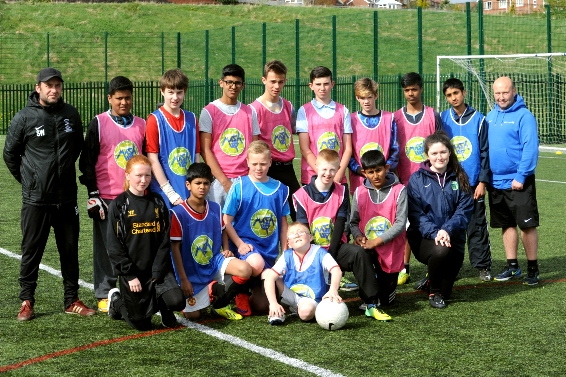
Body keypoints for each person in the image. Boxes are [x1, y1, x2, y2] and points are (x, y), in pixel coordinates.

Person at [4, 67, 95, 321]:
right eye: (48, 86)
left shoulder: (71, 115)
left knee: (69, 250)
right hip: (36, 199)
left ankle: (71, 300)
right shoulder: (24, 118)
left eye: (57, 85)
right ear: (38, 88)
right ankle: (27, 300)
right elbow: (10, 154)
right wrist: (29, 181)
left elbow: (77, 148)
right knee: (31, 249)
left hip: (66, 197)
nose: (53, 90)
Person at [294, 149, 391, 321]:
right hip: (311, 252)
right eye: (324, 169)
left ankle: (371, 302)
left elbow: (340, 223)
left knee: (359, 253)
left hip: (335, 248)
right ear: (316, 166)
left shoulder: (341, 191)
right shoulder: (302, 195)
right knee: (309, 309)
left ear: (339, 168)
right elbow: (303, 230)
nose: (328, 174)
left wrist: (330, 253)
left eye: (333, 169)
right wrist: (319, 256)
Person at [79, 76, 146, 312]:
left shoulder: (142, 124)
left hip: (134, 196)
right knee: (107, 249)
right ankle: (104, 293)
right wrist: (93, 194)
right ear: (110, 98)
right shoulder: (98, 123)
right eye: (119, 98)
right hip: (107, 198)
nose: (124, 102)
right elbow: (86, 162)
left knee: (134, 246)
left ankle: (131, 288)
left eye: (128, 98)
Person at [106, 155, 185, 330]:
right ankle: (117, 301)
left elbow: (165, 240)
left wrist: (157, 270)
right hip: (134, 273)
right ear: (127, 175)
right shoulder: (118, 205)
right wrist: (129, 275)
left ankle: (166, 313)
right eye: (138, 175)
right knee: (141, 324)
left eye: (147, 175)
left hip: (158, 269)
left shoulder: (157, 201)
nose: (144, 180)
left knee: (177, 301)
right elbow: (114, 246)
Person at [169, 163, 253, 321]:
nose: (202, 187)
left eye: (206, 183)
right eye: (198, 183)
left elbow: (223, 230)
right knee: (193, 316)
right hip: (191, 270)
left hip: (213, 261)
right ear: (188, 185)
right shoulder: (177, 213)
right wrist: (183, 279)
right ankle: (212, 288)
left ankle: (220, 304)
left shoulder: (215, 207)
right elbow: (174, 249)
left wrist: (226, 248)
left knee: (245, 269)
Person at [407, 131, 474, 309]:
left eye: (443, 152)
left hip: (453, 238)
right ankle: (433, 292)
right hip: (425, 239)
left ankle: (432, 281)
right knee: (440, 250)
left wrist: (447, 230)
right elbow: (415, 214)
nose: (439, 157)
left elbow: (464, 210)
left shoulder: (460, 176)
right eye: (434, 153)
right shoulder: (416, 179)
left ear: (450, 152)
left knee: (448, 293)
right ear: (427, 155)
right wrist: (436, 233)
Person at [223, 140, 290, 316]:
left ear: (270, 162)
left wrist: (285, 252)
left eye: (262, 164)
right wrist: (239, 244)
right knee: (256, 263)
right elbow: (226, 221)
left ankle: (248, 289)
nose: (258, 168)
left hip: (268, 251)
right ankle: (237, 290)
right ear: (247, 162)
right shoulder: (239, 186)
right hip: (246, 249)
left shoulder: (280, 189)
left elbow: (283, 225)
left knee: (261, 307)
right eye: (254, 164)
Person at [486, 76, 540, 286]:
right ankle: (512, 266)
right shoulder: (490, 117)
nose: (501, 97)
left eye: (505, 92)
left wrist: (520, 176)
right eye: (497, 93)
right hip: (496, 183)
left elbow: (530, 147)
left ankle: (533, 269)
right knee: (506, 225)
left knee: (527, 226)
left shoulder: (524, 116)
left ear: (514, 91)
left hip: (518, 182)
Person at [439, 78, 492, 282]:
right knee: (449, 225)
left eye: (456, 93)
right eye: (449, 95)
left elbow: (485, 153)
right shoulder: (442, 119)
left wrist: (482, 181)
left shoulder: (479, 119)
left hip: (473, 184)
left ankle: (483, 266)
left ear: (464, 92)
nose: (453, 98)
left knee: (477, 225)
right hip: (450, 183)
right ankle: (449, 265)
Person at [393, 72, 442, 286]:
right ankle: (403, 268)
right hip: (404, 181)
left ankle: (435, 266)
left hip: (429, 181)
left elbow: (440, 146)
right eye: (406, 90)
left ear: (421, 89)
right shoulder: (396, 117)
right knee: (403, 226)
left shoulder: (433, 115)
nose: (410, 93)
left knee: (432, 222)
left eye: (414, 89)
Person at [350, 149, 407, 315]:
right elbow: (353, 222)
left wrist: (376, 241)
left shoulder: (400, 190)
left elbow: (400, 223)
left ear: (387, 168)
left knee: (387, 301)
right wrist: (358, 236)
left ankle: (387, 287)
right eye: (370, 172)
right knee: (369, 295)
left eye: (378, 170)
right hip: (368, 250)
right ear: (364, 173)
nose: (375, 175)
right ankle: (369, 287)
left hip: (390, 250)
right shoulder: (359, 192)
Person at [200, 63, 260, 208]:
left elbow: (255, 149)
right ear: (221, 83)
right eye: (229, 82)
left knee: (243, 227)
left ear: (243, 85)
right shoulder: (209, 111)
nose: (233, 86)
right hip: (219, 181)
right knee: (218, 226)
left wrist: (250, 179)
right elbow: (205, 150)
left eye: (237, 83)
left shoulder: (249, 112)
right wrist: (225, 182)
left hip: (245, 180)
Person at [249, 60, 300, 221]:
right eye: (272, 81)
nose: (276, 86)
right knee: (269, 216)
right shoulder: (254, 109)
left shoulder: (288, 106)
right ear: (264, 80)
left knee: (299, 212)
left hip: (287, 169)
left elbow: (296, 129)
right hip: (267, 169)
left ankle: (306, 246)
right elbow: (254, 145)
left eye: (280, 81)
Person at [263, 222, 342, 325]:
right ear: (288, 243)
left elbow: (336, 270)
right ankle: (276, 311)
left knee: (305, 313)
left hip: (313, 298)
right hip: (291, 294)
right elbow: (270, 278)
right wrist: (273, 303)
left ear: (310, 237)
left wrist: (333, 290)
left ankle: (303, 309)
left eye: (301, 232)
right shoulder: (287, 255)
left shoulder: (320, 253)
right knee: (267, 273)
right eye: (292, 234)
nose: (296, 235)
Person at [146, 68, 199, 210]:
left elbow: (196, 156)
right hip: (164, 193)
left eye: (179, 92)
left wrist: (197, 185)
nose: (175, 97)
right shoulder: (154, 120)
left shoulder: (192, 119)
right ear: (162, 91)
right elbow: (152, 159)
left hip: (189, 192)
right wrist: (170, 193)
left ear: (185, 92)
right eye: (170, 92)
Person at [297, 65, 352, 186]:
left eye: (326, 83)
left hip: (338, 177)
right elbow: (304, 149)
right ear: (311, 86)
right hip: (313, 176)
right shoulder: (304, 111)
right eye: (318, 84)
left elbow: (348, 149)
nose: (322, 88)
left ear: (332, 84)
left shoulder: (343, 111)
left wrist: (337, 174)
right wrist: (324, 174)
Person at [348, 78, 399, 195]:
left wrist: (383, 171)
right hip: (360, 179)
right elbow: (347, 152)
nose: (366, 101)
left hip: (385, 178)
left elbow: (395, 150)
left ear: (376, 96)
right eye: (362, 98)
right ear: (357, 98)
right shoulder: (351, 119)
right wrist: (359, 170)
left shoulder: (389, 118)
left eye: (369, 97)